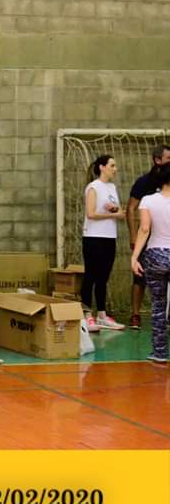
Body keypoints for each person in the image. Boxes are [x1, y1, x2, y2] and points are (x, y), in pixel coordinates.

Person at [130, 162, 170, 364]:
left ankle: (160, 352)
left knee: (158, 305)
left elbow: (144, 229)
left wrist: (134, 256)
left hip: (155, 255)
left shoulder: (148, 200)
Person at [81, 154, 127, 332]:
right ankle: (86, 315)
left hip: (109, 237)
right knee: (90, 276)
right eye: (112, 165)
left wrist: (115, 210)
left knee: (103, 277)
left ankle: (102, 315)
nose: (115, 169)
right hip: (93, 237)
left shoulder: (112, 187)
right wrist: (112, 214)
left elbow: (118, 211)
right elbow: (91, 214)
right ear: (102, 167)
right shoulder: (93, 187)